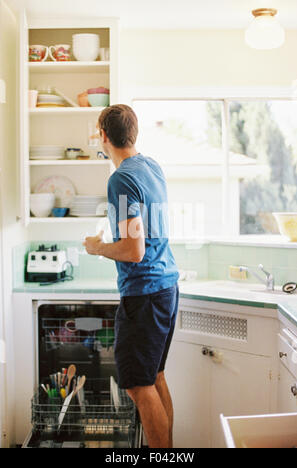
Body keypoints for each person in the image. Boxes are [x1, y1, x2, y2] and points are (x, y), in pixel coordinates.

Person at [83, 104, 179, 448]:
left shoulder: (120, 178)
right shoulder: (151, 167)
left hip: (145, 293)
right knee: (155, 377)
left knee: (139, 386)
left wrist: (97, 248)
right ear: (133, 133)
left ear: (104, 136)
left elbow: (133, 251)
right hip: (166, 287)